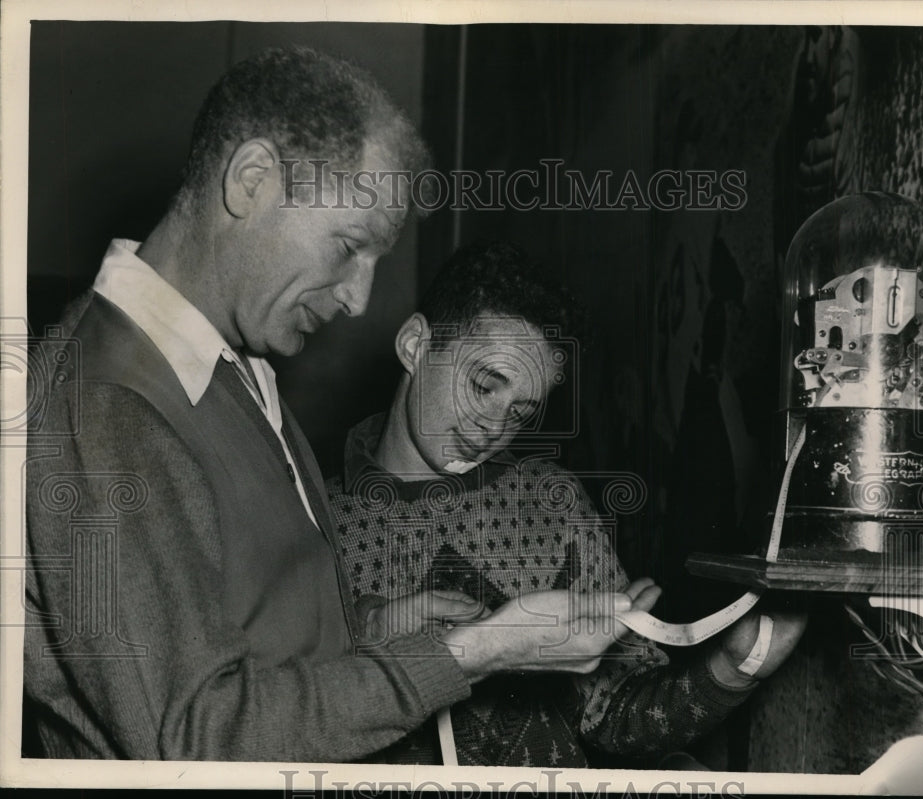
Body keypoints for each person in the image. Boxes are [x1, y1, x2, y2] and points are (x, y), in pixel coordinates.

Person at [23, 47, 636, 762]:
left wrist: (369, 625)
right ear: (251, 181)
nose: (359, 298)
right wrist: (475, 651)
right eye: (349, 246)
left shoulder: (230, 369)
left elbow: (248, 634)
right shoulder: (110, 401)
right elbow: (199, 740)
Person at [328, 241, 807, 767]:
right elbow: (281, 715)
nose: (494, 426)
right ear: (416, 345)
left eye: (521, 411)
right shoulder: (315, 519)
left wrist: (734, 667)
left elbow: (615, 713)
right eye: (484, 385)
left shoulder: (550, 506)